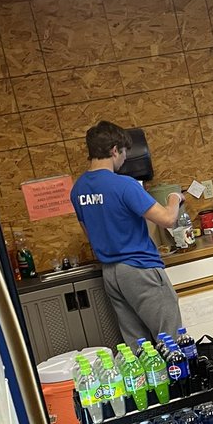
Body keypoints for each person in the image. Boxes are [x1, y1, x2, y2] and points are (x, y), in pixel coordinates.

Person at [70, 120, 184, 346]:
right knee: (170, 338)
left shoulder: (78, 189)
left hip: (111, 274)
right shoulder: (124, 185)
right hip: (140, 268)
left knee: (139, 345)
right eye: (124, 153)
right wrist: (174, 198)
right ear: (114, 150)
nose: (124, 159)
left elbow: (89, 233)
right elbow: (167, 219)